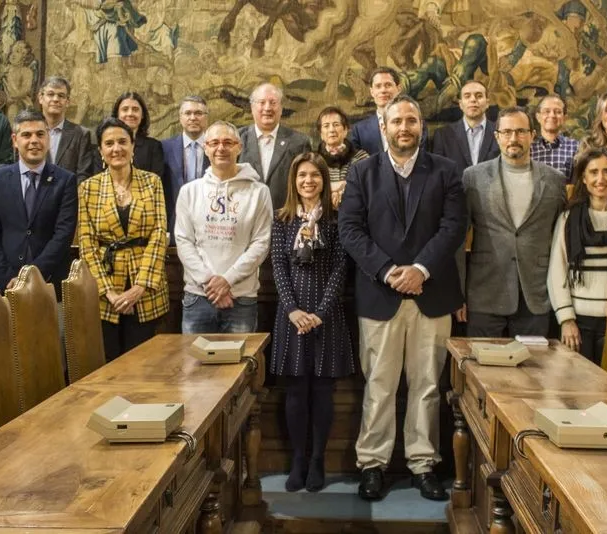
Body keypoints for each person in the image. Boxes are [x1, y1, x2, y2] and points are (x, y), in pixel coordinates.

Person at [339, 95, 466, 502]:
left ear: (421, 126)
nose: (404, 128)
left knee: (427, 384)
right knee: (379, 384)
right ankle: (372, 464)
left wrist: (420, 270)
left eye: (412, 120)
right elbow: (351, 231)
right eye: (397, 121)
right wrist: (389, 271)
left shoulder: (446, 172)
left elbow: (452, 227)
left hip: (432, 294)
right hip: (380, 294)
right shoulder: (362, 173)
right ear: (384, 127)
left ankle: (423, 463)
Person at [270, 153, 354, 493]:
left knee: (322, 391)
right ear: (294, 180)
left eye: (315, 175)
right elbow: (278, 265)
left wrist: (320, 311)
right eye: (302, 175)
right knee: (294, 391)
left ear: (324, 179)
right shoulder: (282, 219)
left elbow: (340, 267)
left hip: (326, 314)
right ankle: (298, 460)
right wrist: (292, 310)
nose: (308, 181)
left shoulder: (336, 220)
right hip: (291, 317)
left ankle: (318, 459)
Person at [460, 106, 567, 338]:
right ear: (496, 136)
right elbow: (459, 239)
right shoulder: (473, 177)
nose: (513, 138)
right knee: (482, 370)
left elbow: (562, 240)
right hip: (486, 292)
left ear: (532, 135)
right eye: (507, 132)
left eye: (520, 131)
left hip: (536, 294)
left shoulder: (555, 181)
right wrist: (458, 294)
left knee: (534, 371)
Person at [78, 117, 169, 361]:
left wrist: (139, 287)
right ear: (100, 151)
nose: (116, 148)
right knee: (109, 366)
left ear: (132, 146)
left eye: (122, 141)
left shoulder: (152, 182)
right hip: (107, 293)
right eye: (109, 143)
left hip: (146, 290)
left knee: (144, 365)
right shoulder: (88, 188)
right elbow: (87, 244)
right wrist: (110, 292)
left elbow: (159, 235)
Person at [547, 148, 607, 364]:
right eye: (593, 172)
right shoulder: (568, 219)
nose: (601, 179)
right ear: (583, 177)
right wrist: (566, 319)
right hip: (578, 323)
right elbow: (557, 270)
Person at [175, 121, 273, 333]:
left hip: (241, 298)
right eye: (215, 143)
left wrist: (227, 281)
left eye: (228, 142)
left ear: (239, 147)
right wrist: (211, 283)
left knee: (241, 365)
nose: (221, 148)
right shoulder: (189, 192)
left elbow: (261, 243)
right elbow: (184, 241)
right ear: (205, 147)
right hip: (198, 297)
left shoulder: (259, 192)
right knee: (193, 366)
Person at [0, 109, 78, 298]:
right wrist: (6, 276)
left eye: (40, 134)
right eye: (26, 135)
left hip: (49, 282)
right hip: (4, 283)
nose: (34, 140)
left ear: (48, 139)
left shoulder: (66, 181)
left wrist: (32, 275)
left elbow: (63, 234)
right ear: (15, 141)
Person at [238, 83, 312, 209]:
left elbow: (306, 183)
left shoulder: (299, 142)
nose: (267, 108)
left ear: (281, 108)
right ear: (252, 107)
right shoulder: (237, 138)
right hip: (244, 217)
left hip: (285, 218)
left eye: (273, 102)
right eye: (262, 102)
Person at [162, 95, 209, 245]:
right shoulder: (164, 148)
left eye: (198, 113)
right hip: (175, 225)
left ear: (206, 117)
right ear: (180, 118)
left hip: (210, 226)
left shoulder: (217, 147)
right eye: (188, 113)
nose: (193, 117)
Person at [349, 67, 427, 155]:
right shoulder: (359, 130)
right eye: (378, 86)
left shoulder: (418, 126)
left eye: (388, 85)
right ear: (372, 92)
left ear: (399, 89)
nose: (383, 90)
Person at [430, 79, 499, 175]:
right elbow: (438, 173)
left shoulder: (501, 132)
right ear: (460, 104)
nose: (473, 100)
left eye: (479, 96)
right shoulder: (443, 135)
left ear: (487, 103)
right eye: (467, 96)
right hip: (456, 190)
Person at [38, 76, 95, 182]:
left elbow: (83, 175)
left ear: (67, 101)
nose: (55, 99)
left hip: (69, 196)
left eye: (61, 96)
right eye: (50, 94)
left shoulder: (81, 134)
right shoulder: (30, 133)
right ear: (41, 98)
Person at [97, 91, 165, 179]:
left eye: (135, 109)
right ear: (117, 114)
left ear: (142, 115)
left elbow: (157, 180)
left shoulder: (153, 147)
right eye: (125, 109)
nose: (130, 114)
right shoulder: (105, 146)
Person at [314, 106, 367, 207]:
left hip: (355, 213)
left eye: (336, 125)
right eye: (326, 126)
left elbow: (366, 186)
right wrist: (339, 186)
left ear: (345, 130)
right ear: (321, 134)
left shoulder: (361, 157)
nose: (331, 130)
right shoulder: (313, 160)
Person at [530, 94, 579, 180]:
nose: (552, 115)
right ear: (538, 117)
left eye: (558, 112)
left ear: (564, 118)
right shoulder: (529, 148)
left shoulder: (576, 147)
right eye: (547, 111)